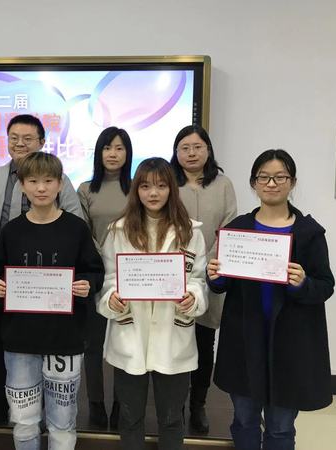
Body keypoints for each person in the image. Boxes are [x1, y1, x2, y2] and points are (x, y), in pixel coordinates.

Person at [207, 149, 335, 450]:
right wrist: (215, 276)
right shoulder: (237, 229)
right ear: (254, 183)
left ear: (292, 182)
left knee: (280, 428)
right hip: (244, 340)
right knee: (244, 420)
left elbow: (325, 285)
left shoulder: (309, 233)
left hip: (290, 345)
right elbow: (222, 285)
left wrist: (303, 284)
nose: (271, 183)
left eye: (280, 177)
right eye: (263, 177)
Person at [0, 114, 84, 423]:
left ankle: (40, 409)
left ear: (42, 142)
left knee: (40, 346)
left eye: (28, 138)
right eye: (14, 138)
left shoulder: (59, 180)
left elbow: (77, 222)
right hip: (3, 276)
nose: (20, 143)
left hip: (48, 279)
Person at [0, 151, 104, 450]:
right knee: (24, 420)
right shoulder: (12, 230)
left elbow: (95, 270)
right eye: (33, 181)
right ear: (22, 185)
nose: (41, 188)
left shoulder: (76, 228)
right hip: (20, 339)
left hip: (65, 338)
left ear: (60, 184)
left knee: (62, 421)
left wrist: (87, 284)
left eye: (49, 181)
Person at [98, 157, 208, 450]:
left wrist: (193, 297)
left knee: (172, 419)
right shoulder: (118, 231)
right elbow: (108, 280)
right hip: (130, 334)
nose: (153, 193)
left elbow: (198, 279)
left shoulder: (190, 231)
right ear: (136, 190)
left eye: (161, 186)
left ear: (172, 188)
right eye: (145, 186)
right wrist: (113, 299)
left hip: (173, 334)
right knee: (130, 417)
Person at [169, 124, 237, 433]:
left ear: (208, 150)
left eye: (197, 147)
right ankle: (175, 406)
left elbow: (229, 226)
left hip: (211, 273)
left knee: (204, 341)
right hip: (171, 275)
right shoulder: (168, 182)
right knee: (175, 341)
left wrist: (206, 260)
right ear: (176, 152)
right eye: (185, 148)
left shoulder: (223, 184)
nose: (192, 153)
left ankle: (198, 404)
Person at [76, 126, 133, 428]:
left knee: (125, 340)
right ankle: (96, 403)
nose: (113, 153)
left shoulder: (137, 188)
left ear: (128, 153)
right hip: (96, 273)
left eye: (119, 148)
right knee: (93, 343)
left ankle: (121, 403)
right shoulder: (86, 189)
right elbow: (82, 230)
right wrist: (103, 254)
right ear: (99, 153)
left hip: (130, 275)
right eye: (107, 148)